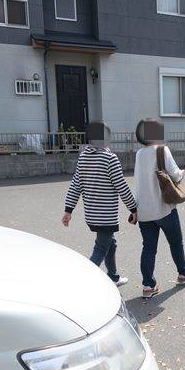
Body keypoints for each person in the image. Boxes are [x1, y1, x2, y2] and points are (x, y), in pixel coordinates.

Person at [62, 121, 137, 287]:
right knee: (100, 249)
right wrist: (133, 208)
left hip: (92, 215)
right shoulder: (110, 159)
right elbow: (122, 187)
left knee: (111, 243)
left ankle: (113, 277)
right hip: (106, 216)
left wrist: (68, 210)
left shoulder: (83, 158)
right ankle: (83, 284)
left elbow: (76, 185)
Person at [132, 119, 185, 298]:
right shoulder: (162, 150)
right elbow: (175, 174)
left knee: (148, 248)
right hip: (164, 207)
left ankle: (148, 286)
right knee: (175, 242)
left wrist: (134, 209)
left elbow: (139, 181)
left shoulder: (139, 154)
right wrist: (182, 173)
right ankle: (184, 272)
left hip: (144, 210)